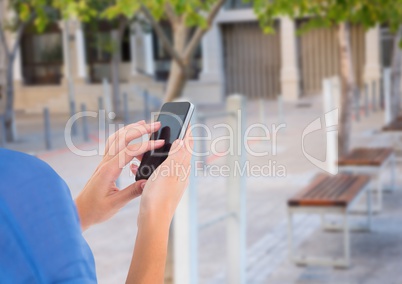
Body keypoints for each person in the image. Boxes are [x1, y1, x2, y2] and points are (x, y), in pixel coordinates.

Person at [0, 120, 193, 283]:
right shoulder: (26, 179)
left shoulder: (23, 180)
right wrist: (156, 216)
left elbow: (15, 252)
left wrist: (82, 212)